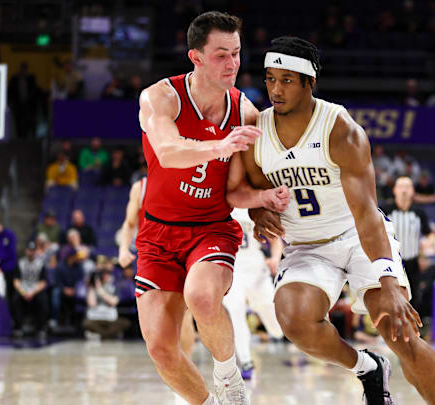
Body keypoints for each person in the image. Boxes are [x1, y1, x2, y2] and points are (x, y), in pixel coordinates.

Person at [240, 36, 435, 405]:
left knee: (398, 331)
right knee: (293, 319)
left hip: (356, 236)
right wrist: (258, 210)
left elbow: (367, 212)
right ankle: (367, 366)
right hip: (306, 245)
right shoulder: (258, 133)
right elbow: (256, 193)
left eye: (286, 80)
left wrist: (386, 279)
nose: (275, 89)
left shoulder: (340, 128)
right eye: (270, 79)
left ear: (310, 82)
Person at [134, 11, 289, 405]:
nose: (233, 63)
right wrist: (219, 146)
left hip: (210, 229)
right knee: (161, 349)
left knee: (202, 297)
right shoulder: (160, 97)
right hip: (157, 232)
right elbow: (167, 152)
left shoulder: (245, 113)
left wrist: (262, 207)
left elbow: (244, 185)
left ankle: (231, 382)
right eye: (221, 54)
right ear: (196, 57)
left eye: (236, 53)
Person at [117, 176, 196, 356]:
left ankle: (186, 365)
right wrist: (123, 249)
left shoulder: (187, 180)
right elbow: (129, 223)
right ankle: (172, 363)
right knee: (156, 318)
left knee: (184, 313)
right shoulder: (140, 187)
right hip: (151, 256)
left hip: (181, 250)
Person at [222, 208, 284, 380]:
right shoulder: (218, 207)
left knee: (276, 328)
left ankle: (280, 333)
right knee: (235, 313)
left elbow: (275, 238)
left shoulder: (253, 206)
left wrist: (275, 258)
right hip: (231, 271)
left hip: (257, 270)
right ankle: (246, 361)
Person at [384, 176, 431, 317]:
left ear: (413, 191)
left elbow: (429, 235)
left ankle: (413, 331)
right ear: (394, 190)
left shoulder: (419, 212)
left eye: (407, 186)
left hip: (413, 261)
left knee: (414, 296)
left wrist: (424, 253)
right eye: (401, 186)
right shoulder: (385, 210)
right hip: (391, 262)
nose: (404, 190)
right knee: (390, 296)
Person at [83, 263, 132, 340]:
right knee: (86, 323)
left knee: (126, 323)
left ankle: (100, 334)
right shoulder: (92, 288)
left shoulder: (114, 287)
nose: (105, 276)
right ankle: (109, 335)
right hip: (95, 318)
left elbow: (113, 302)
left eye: (107, 274)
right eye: (103, 274)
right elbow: (92, 304)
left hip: (110, 319)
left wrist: (101, 291)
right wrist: (92, 287)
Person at [11, 242, 49, 338]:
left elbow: (43, 282)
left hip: (35, 290)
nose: (31, 253)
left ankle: (41, 328)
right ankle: (18, 327)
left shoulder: (40, 264)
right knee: (15, 298)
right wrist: (24, 292)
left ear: (36, 251)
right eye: (29, 250)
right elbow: (16, 281)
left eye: (33, 250)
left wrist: (32, 292)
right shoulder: (20, 263)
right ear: (26, 251)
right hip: (23, 290)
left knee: (43, 300)